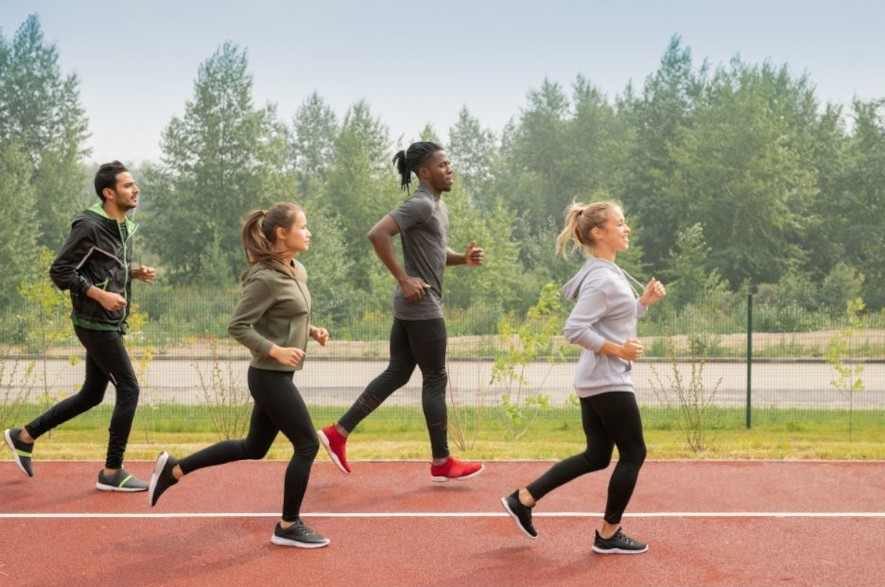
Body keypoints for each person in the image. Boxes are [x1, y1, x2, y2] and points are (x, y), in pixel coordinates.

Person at [148, 203, 331, 549]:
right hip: (268, 376)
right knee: (307, 444)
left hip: (279, 376)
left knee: (254, 447)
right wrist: (274, 350)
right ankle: (288, 525)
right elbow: (238, 326)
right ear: (282, 233)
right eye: (303, 227)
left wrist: (312, 331)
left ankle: (174, 470)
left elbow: (286, 319)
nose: (309, 233)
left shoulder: (297, 270)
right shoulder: (265, 278)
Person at [500, 201, 666, 554]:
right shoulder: (603, 278)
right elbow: (574, 329)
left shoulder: (605, 271)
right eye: (620, 224)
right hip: (608, 380)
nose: (627, 229)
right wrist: (618, 351)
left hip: (595, 379)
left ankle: (524, 499)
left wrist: (643, 303)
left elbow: (614, 317)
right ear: (597, 232)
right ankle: (608, 534)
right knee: (634, 453)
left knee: (596, 456)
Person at [318, 141, 485, 482]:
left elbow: (436, 251)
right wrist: (403, 277)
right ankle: (442, 461)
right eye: (442, 165)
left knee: (398, 372)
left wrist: (462, 260)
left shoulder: (437, 206)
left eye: (449, 163)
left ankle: (339, 433)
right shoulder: (420, 203)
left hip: (412, 304)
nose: (449, 168)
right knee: (435, 379)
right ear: (425, 172)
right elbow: (377, 233)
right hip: (421, 305)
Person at [4, 161, 156, 491]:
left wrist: (133, 273)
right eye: (128, 185)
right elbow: (60, 270)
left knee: (91, 395)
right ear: (108, 192)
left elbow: (100, 266)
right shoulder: (89, 226)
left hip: (109, 322)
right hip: (94, 322)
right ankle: (112, 472)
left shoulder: (123, 227)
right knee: (129, 389)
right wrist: (99, 295)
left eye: (134, 184)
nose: (136, 189)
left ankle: (24, 435)